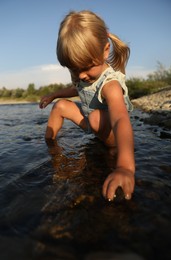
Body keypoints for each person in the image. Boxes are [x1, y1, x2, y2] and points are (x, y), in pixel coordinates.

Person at [39, 10, 135, 201]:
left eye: (86, 68)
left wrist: (125, 167)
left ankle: (114, 153)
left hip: (112, 135)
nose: (81, 75)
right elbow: (77, 88)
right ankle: (51, 146)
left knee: (96, 117)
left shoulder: (111, 84)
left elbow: (120, 119)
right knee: (60, 107)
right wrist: (54, 94)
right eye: (74, 69)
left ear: (105, 51)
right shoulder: (82, 75)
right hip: (93, 124)